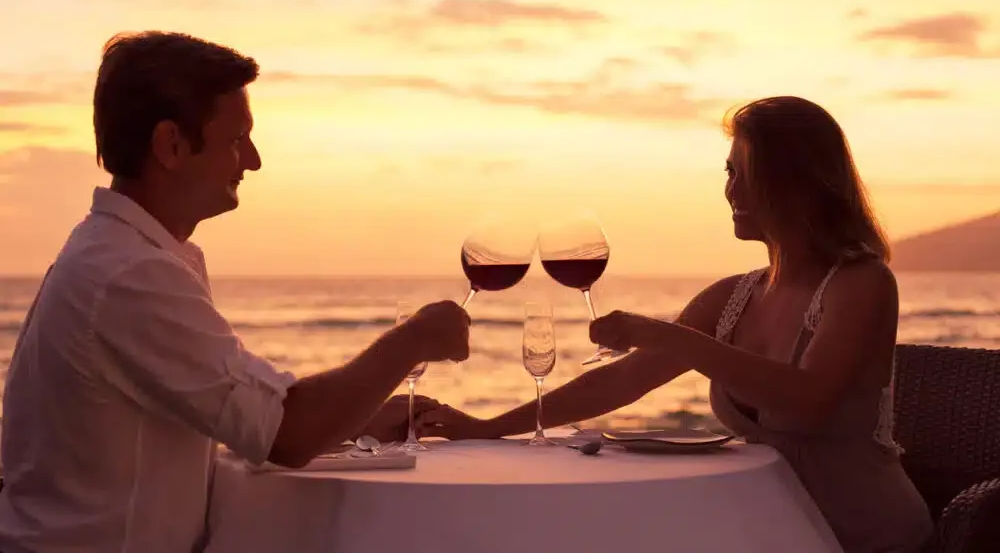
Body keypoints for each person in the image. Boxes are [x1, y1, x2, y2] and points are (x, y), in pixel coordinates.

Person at [0, 31, 471, 553]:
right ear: (171, 146)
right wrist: (413, 340)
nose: (252, 160)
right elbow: (285, 432)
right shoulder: (129, 273)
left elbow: (230, 420)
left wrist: (351, 418)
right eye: (236, 139)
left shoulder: (129, 254)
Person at [418, 96, 933, 553]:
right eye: (727, 172)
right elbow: (619, 381)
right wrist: (489, 428)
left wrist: (667, 336)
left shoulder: (862, 283)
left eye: (743, 173)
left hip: (863, 536)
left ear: (793, 181)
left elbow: (807, 400)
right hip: (769, 529)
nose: (730, 190)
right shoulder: (734, 296)